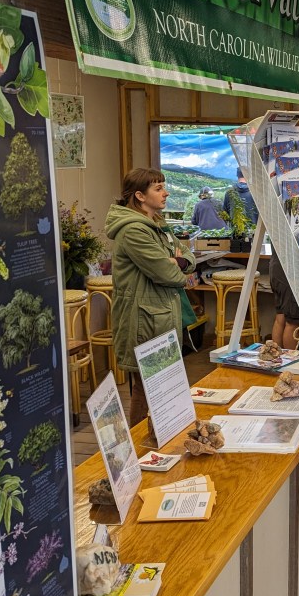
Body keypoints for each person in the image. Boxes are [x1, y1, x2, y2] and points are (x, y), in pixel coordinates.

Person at [105, 168, 196, 426]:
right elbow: (169, 274)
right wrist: (176, 265)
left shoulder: (158, 225)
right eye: (158, 188)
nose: (165, 192)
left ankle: (155, 447)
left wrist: (177, 260)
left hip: (160, 319)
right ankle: (139, 451)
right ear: (139, 196)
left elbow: (188, 258)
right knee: (147, 392)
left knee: (163, 391)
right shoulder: (133, 231)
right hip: (144, 322)